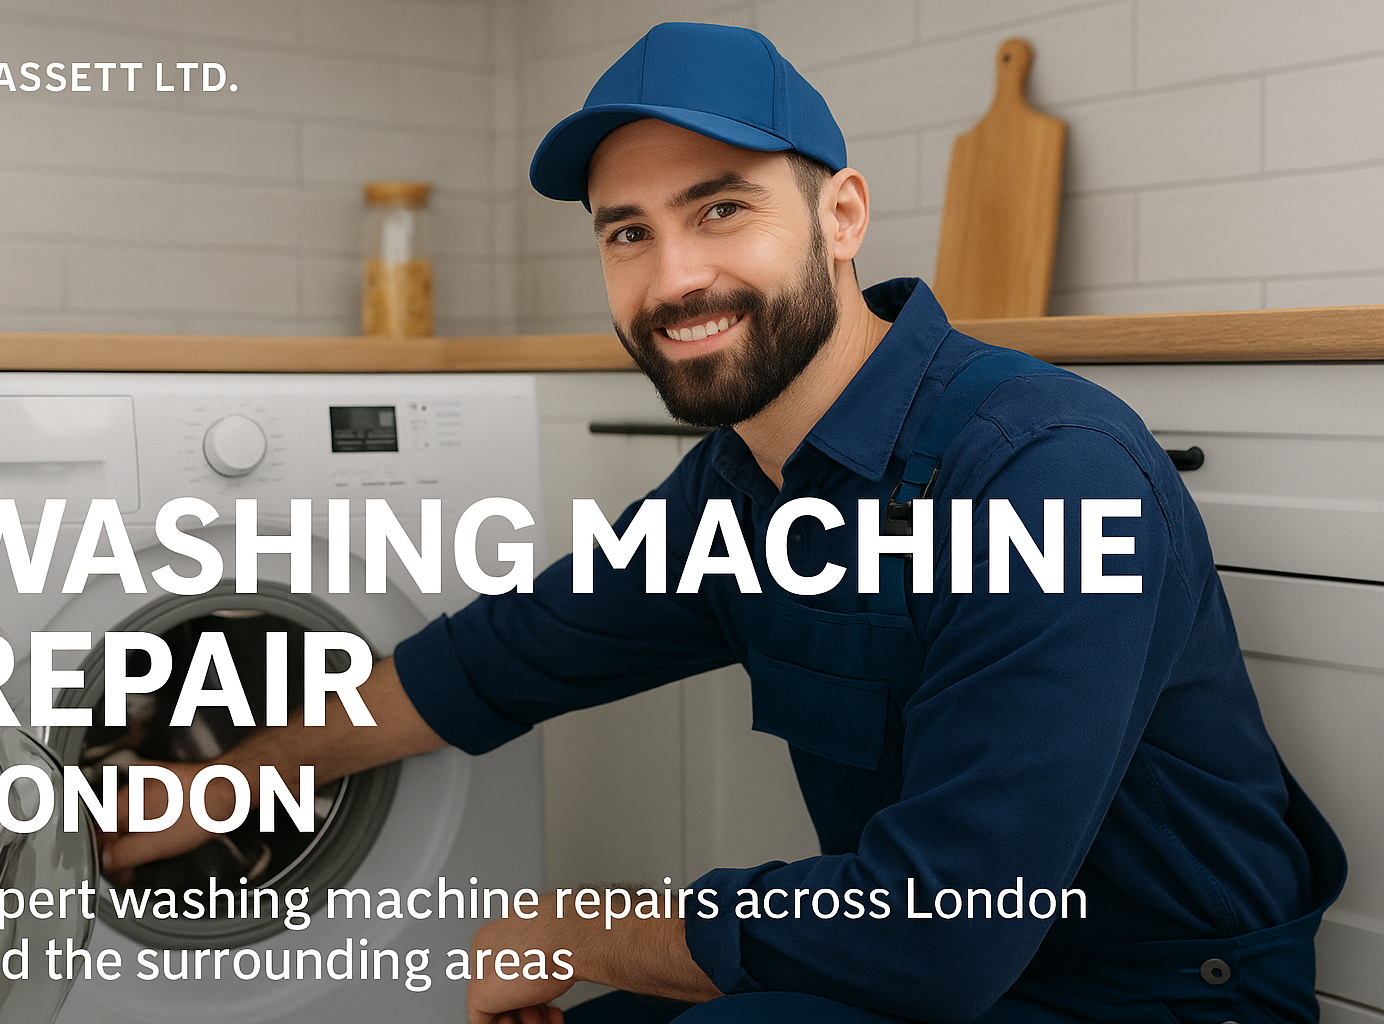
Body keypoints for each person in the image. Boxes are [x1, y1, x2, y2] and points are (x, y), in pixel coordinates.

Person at [103, 22, 1345, 1024]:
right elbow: (496, 659)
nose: (673, 278)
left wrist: (570, 927)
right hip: (956, 973)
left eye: (720, 210)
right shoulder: (743, 487)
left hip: (1158, 998)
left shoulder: (1043, 471)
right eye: (627, 234)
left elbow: (943, 929)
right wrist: (231, 782)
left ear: (842, 217)